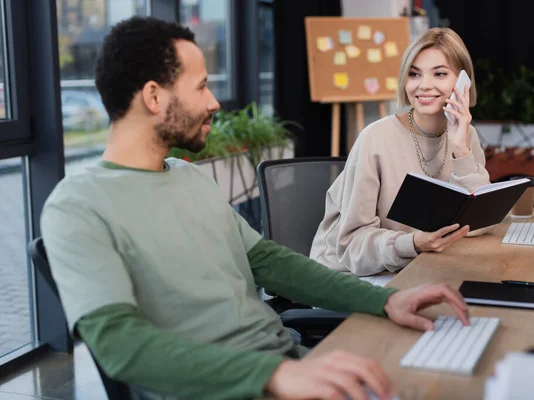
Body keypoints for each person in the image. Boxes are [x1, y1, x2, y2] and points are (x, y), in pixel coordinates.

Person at [41, 18, 471, 400]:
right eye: (202, 86)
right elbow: (121, 347)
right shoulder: (77, 206)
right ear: (154, 97)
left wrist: (385, 301)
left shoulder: (187, 177)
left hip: (286, 362)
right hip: (236, 383)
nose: (214, 102)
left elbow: (269, 261)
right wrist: (277, 374)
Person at [310, 28, 491, 286]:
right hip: (353, 278)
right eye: (414, 73)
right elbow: (351, 247)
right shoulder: (375, 138)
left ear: (463, 82)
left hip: (419, 266)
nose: (424, 85)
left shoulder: (466, 134)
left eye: (439, 73)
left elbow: (478, 225)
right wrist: (413, 243)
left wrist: (461, 149)